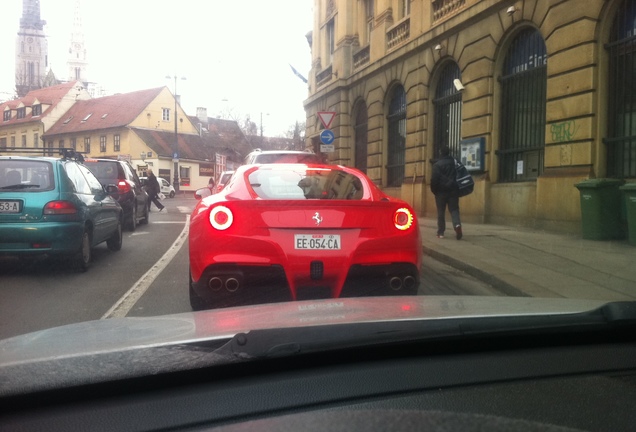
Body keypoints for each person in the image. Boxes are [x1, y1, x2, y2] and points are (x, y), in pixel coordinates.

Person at [430, 145, 462, 240]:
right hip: (453, 191)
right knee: (454, 210)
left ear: (440, 153)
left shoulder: (437, 165)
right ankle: (457, 225)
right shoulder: (455, 163)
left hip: (441, 192)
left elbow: (434, 180)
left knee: (441, 212)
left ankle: (441, 232)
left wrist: (434, 191)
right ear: (449, 152)